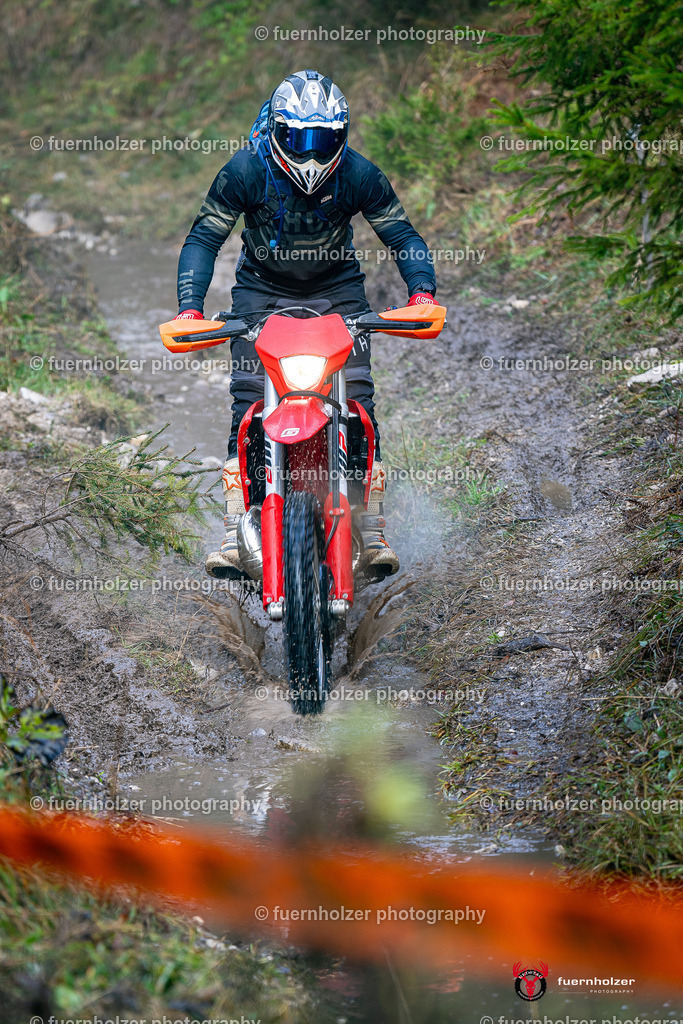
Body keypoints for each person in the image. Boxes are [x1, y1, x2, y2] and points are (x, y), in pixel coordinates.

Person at [174, 70, 437, 581]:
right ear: (277, 130)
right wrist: (190, 308)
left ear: (342, 136)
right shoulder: (245, 170)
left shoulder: (359, 174)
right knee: (247, 403)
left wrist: (422, 292)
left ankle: (371, 522)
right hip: (260, 293)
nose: (312, 154)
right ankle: (235, 529)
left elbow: (400, 233)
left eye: (325, 140)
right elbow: (204, 238)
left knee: (357, 401)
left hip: (337, 292)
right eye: (300, 139)